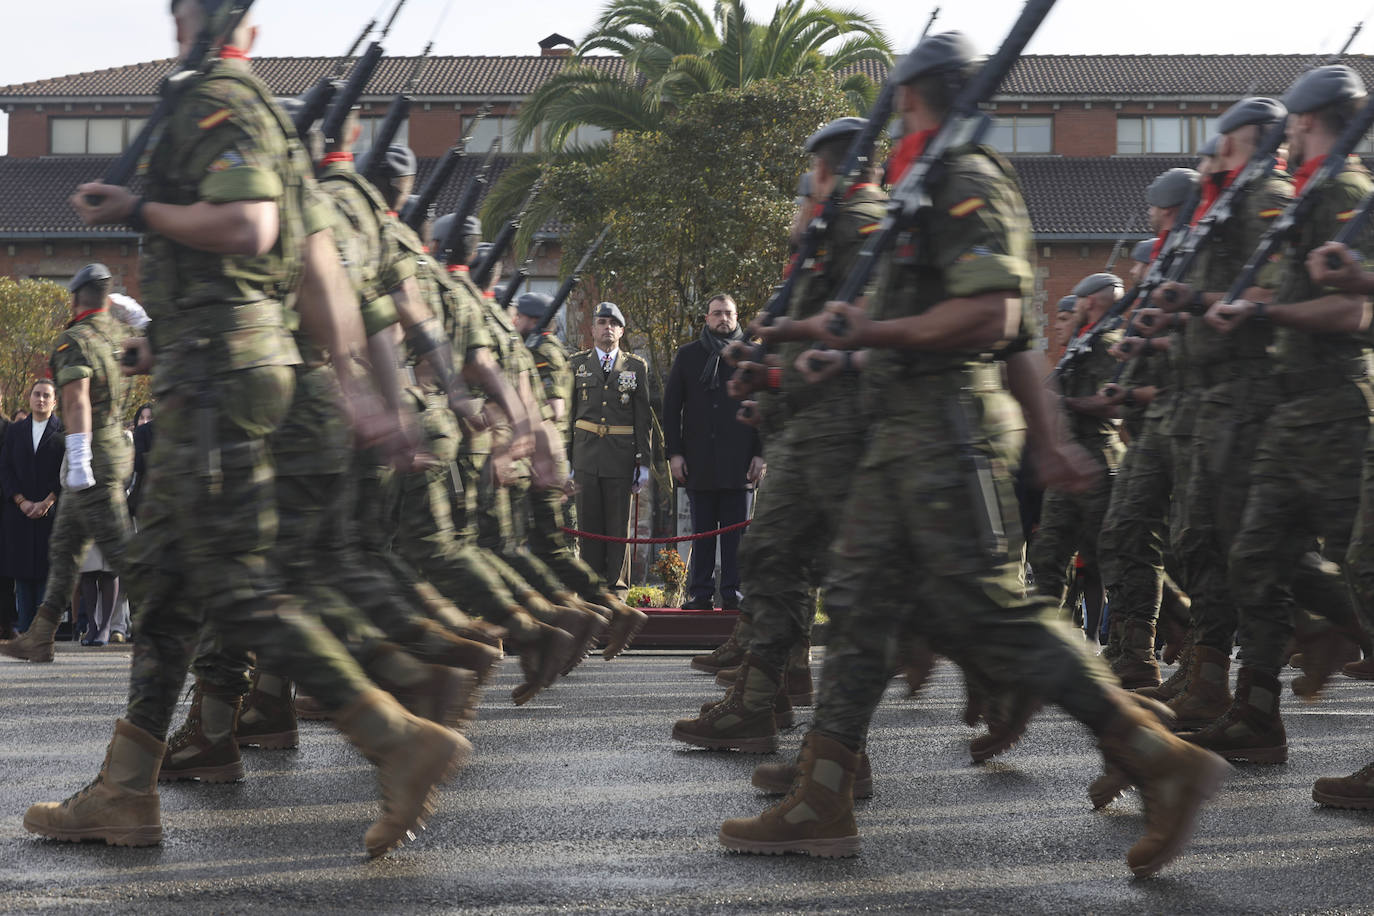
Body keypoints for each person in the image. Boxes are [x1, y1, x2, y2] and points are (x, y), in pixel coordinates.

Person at [717, 32, 1229, 878]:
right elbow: (970, 326)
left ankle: (1157, 756)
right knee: (859, 607)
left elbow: (996, 318)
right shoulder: (923, 183)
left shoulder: (963, 176)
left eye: (894, 101)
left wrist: (1047, 433)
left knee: (989, 610)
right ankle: (824, 790)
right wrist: (816, 340)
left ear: (912, 96)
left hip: (945, 433)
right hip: (905, 436)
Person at [31, 0, 467, 856]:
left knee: (236, 588)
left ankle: (397, 731)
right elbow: (316, 268)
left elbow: (250, 226)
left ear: (186, 20)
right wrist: (355, 388)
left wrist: (134, 210)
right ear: (253, 33)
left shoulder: (210, 103)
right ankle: (126, 789)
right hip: (229, 374)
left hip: (219, 385)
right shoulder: (274, 118)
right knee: (164, 582)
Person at [671, 115, 887, 755]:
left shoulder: (862, 222)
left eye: (813, 170)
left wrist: (781, 357)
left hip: (837, 430)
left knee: (815, 577)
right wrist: (767, 376)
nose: (806, 187)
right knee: (775, 562)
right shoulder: (832, 227)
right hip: (808, 423)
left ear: (832, 168)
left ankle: (832, 754)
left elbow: (859, 327)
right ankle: (772, 700)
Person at [1190, 65, 1374, 764]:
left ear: (1302, 122)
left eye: (1291, 127)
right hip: (1291, 408)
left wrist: (1265, 311)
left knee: (1362, 567)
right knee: (1254, 556)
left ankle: (1331, 643)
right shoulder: (1309, 194)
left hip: (1334, 403)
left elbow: (1351, 309)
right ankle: (1256, 715)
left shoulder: (1342, 193)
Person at [1092, 170, 1199, 689]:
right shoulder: (1149, 305)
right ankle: (1142, 648)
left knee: (1200, 542)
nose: (1137, 267)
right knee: (1127, 534)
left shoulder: (1184, 278)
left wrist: (1131, 394)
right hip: (1154, 435)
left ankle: (1198, 653)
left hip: (1183, 430)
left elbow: (1187, 371)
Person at [2, 263, 133, 663]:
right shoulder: (116, 333)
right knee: (64, 548)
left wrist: (77, 460)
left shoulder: (74, 340)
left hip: (91, 458)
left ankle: (178, 633)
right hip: (109, 453)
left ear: (75, 298)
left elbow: (75, 400)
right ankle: (40, 635)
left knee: (122, 551)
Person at [1028, 272, 1126, 634]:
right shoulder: (1081, 345)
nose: (1058, 324)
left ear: (1089, 303)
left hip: (1097, 461)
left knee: (1110, 560)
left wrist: (1065, 402)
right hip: (1069, 461)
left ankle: (1149, 639)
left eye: (1072, 309)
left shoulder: (1104, 344)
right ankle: (1046, 641)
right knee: (1048, 554)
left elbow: (1114, 404)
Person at [663, 294, 764, 610]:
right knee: (703, 533)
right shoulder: (688, 355)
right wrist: (674, 454)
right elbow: (670, 408)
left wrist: (762, 453)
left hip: (740, 461)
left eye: (729, 313)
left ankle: (733, 592)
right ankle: (700, 593)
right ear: (706, 319)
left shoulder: (753, 356)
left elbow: (767, 407)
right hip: (699, 460)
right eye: (717, 313)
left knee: (736, 536)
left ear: (737, 318)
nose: (723, 319)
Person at [567, 302, 653, 599]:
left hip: (620, 456)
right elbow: (568, 415)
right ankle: (590, 588)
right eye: (602, 322)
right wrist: (566, 460)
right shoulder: (577, 364)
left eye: (613, 323)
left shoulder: (635, 367)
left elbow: (643, 419)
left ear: (622, 331)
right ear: (592, 329)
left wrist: (643, 462)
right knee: (588, 524)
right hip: (586, 457)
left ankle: (616, 587)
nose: (607, 328)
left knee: (618, 526)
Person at [0, 380, 63, 635]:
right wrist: (21, 500)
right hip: (20, 510)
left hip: (51, 509)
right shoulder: (15, 431)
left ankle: (44, 631)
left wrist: (48, 501)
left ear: (54, 401)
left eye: (46, 396)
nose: (41, 400)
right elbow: (5, 468)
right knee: (22, 572)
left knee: (47, 571)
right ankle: (26, 628)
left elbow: (65, 470)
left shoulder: (62, 431)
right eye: (37, 394)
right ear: (29, 398)